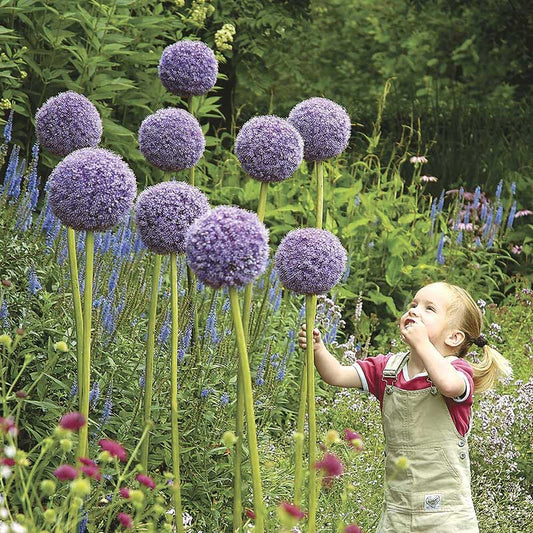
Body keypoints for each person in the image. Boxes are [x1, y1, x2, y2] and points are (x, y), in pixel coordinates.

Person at [298, 281, 512, 532]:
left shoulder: (456, 370)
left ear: (454, 337)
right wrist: (318, 349)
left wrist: (422, 344)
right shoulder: (387, 369)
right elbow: (337, 375)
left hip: (446, 515)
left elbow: (448, 385)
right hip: (397, 510)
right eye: (413, 304)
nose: (414, 310)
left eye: (429, 308)